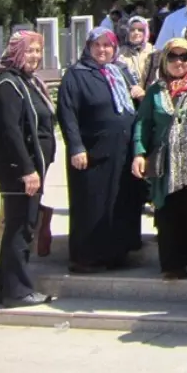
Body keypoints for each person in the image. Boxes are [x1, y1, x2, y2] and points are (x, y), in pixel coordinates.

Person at [56, 28, 144, 273]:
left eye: (108, 45)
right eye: (97, 45)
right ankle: (87, 257)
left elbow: (134, 106)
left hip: (122, 152)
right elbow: (67, 113)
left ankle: (117, 254)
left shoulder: (120, 72)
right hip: (92, 153)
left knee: (119, 201)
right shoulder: (76, 74)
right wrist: (75, 146)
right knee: (92, 204)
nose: (102, 50)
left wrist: (139, 95)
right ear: (88, 47)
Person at [0, 31, 56, 308]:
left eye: (38, 51)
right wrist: (27, 170)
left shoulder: (26, 81)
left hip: (31, 168)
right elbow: (11, 132)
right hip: (19, 172)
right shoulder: (8, 85)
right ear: (16, 52)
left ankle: (5, 289)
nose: (35, 56)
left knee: (20, 226)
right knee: (20, 229)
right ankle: (18, 291)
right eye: (29, 51)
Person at [132, 38, 187, 279]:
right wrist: (139, 152)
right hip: (165, 164)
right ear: (164, 60)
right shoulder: (156, 89)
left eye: (184, 56)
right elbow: (143, 122)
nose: (178, 62)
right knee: (168, 211)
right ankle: (172, 265)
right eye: (173, 57)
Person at [115, 16, 154, 90]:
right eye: (132, 30)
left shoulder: (153, 51)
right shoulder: (121, 53)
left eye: (140, 30)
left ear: (146, 31)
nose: (136, 33)